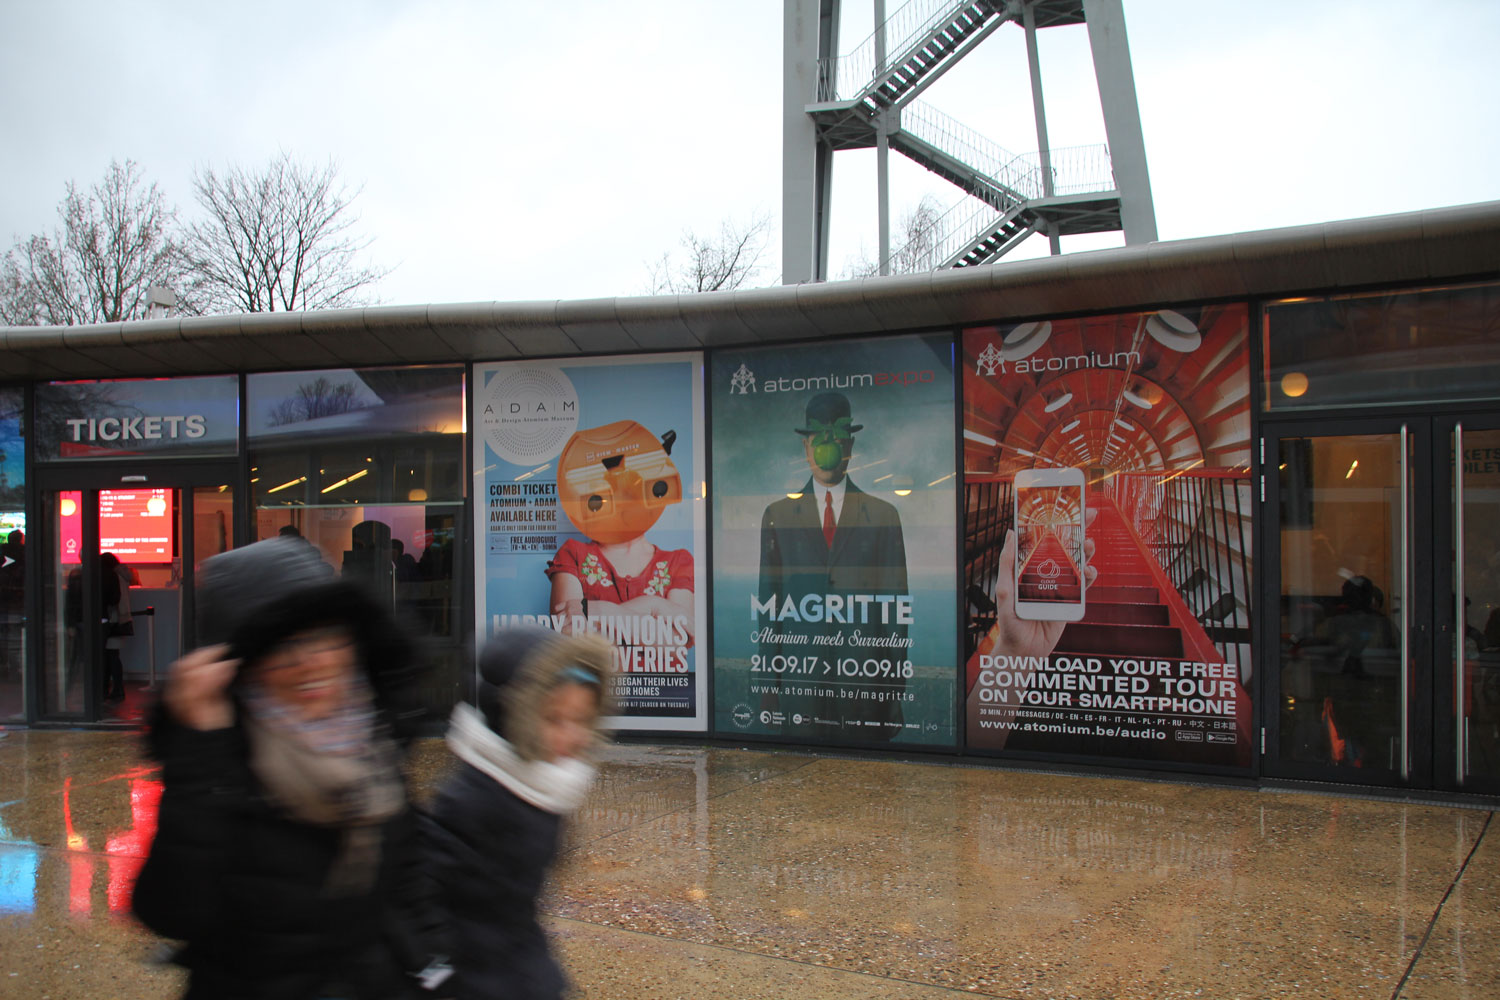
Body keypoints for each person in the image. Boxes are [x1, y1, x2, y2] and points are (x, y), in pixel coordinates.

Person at [132, 536, 444, 999]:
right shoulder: (223, 755)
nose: (309, 663)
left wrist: (434, 968)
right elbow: (171, 911)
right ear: (243, 664)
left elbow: (408, 877)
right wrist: (203, 761)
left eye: (325, 638)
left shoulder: (375, 736)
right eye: (283, 647)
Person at [421, 626, 611, 1000]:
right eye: (556, 720)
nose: (575, 736)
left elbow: (517, 913)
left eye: (582, 720)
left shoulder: (543, 787)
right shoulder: (471, 802)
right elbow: (427, 905)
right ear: (515, 718)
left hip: (522, 967)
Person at [755, 392, 907, 739]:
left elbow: (895, 613)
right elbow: (769, 608)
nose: (828, 450)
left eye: (837, 440)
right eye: (819, 441)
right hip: (800, 686)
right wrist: (769, 686)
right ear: (805, 447)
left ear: (850, 446)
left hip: (864, 685)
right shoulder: (777, 515)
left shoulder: (884, 516)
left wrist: (895, 691)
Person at [100, 552, 133, 703]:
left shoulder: (112, 576)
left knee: (110, 656)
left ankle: (115, 689)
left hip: (114, 620)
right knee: (113, 655)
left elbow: (113, 600)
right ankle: (115, 688)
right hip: (122, 619)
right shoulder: (123, 576)